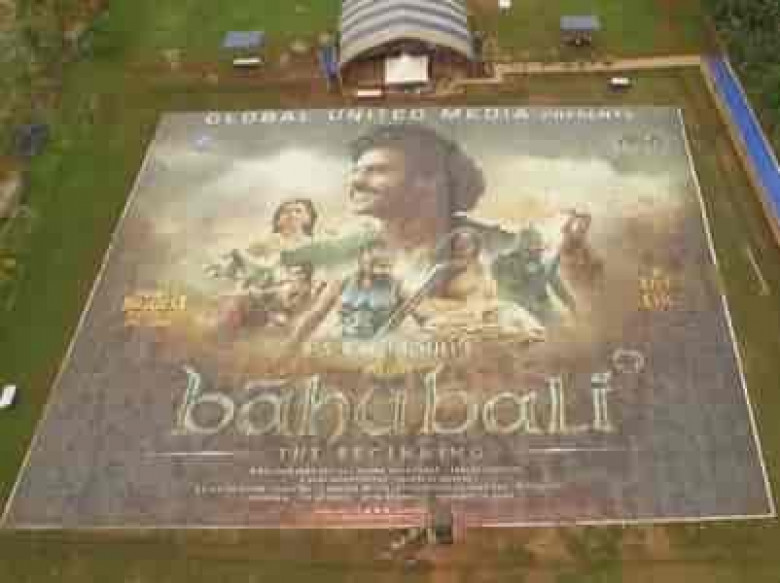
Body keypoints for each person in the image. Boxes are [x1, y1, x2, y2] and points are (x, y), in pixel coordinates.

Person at [347, 124, 487, 255]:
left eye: (379, 170)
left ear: (430, 180)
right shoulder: (351, 253)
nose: (356, 181)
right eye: (355, 171)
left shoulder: (489, 249)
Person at [287, 240, 416, 346]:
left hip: (379, 346)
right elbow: (315, 316)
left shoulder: (397, 286)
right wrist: (294, 343)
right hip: (345, 343)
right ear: (361, 260)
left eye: (385, 265)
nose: (380, 270)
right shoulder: (341, 283)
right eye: (374, 263)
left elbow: (423, 315)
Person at [492, 225, 577, 325]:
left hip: (539, 307)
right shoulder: (505, 262)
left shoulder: (541, 264)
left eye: (538, 249)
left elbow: (557, 285)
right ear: (523, 248)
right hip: (515, 308)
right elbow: (507, 291)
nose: (537, 253)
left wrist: (571, 304)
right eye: (533, 249)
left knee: (559, 323)